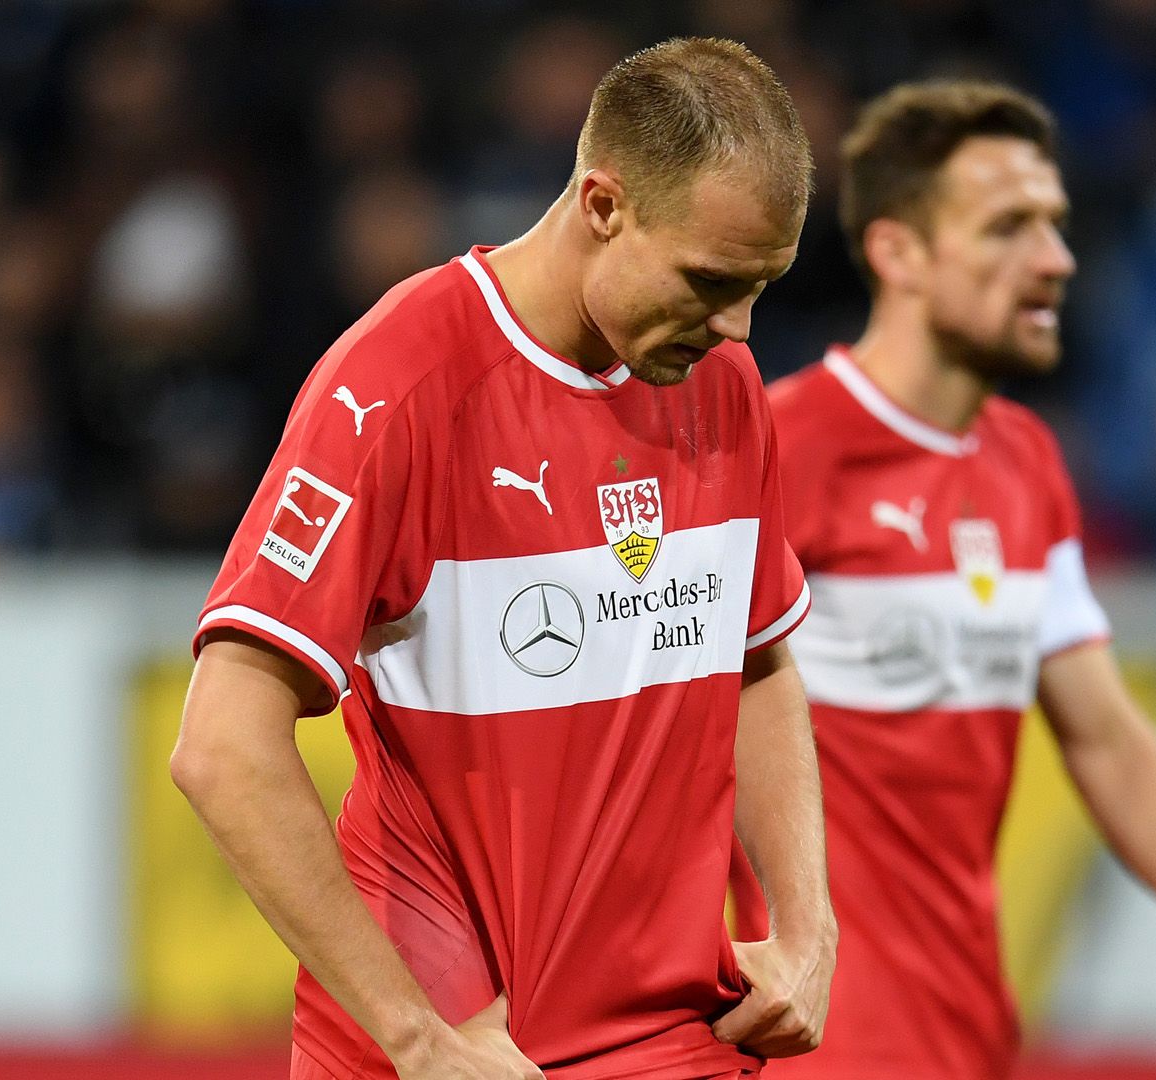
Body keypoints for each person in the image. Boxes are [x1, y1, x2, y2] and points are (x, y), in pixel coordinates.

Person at [171, 38, 835, 1080]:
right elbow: (222, 747)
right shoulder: (397, 385)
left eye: (763, 287)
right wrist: (416, 1039)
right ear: (605, 204)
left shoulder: (722, 383)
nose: (739, 328)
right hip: (453, 1046)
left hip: (669, 1040)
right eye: (712, 280)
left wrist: (807, 927)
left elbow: (757, 660)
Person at [733, 81, 1156, 1080]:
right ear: (899, 253)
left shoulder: (1025, 465)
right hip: (812, 1039)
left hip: (968, 1031)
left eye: (1054, 224)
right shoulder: (780, 451)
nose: (1054, 259)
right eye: (1007, 227)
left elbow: (1103, 737)